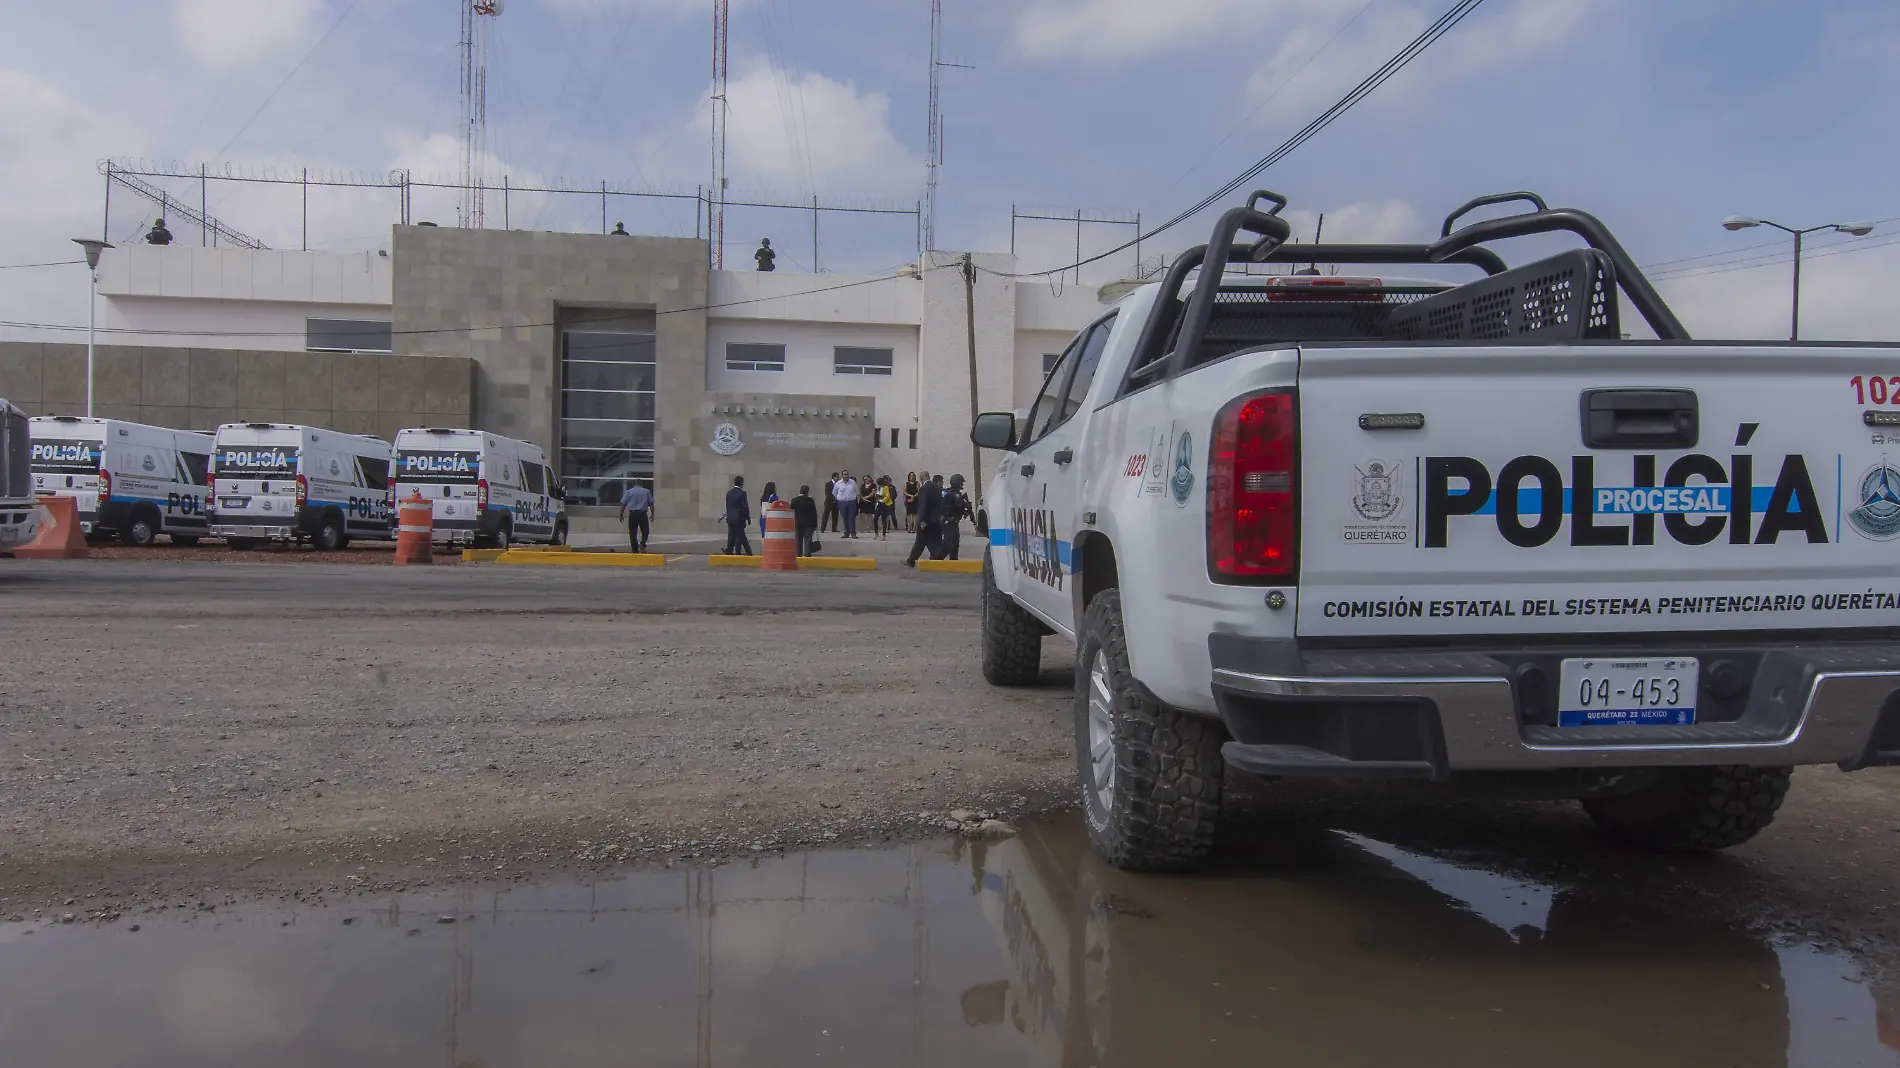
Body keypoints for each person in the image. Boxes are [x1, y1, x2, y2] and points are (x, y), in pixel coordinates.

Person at [906, 473, 946, 567]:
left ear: (921, 478)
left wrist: (921, 520)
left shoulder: (924, 489)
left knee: (920, 540)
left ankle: (912, 560)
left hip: (926, 520)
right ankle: (935, 557)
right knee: (934, 540)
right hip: (936, 520)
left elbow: (923, 505)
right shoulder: (937, 488)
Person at [937, 474, 973, 560]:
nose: (962, 485)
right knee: (949, 543)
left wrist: (966, 511)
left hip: (952, 521)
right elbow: (959, 505)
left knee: (955, 542)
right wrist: (966, 505)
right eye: (961, 483)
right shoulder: (954, 494)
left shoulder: (952, 492)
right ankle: (936, 559)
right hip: (948, 521)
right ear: (957, 483)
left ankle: (954, 559)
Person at [617, 480, 653, 553]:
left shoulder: (629, 492)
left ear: (634, 484)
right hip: (642, 514)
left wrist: (621, 514)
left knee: (632, 532)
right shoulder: (647, 492)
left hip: (633, 514)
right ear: (641, 484)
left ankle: (634, 549)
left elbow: (623, 504)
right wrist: (652, 514)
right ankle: (642, 543)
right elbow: (651, 504)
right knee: (645, 531)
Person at [724, 475, 752, 555]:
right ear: (741, 483)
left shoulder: (729, 493)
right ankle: (745, 552)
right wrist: (748, 518)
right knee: (741, 536)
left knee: (731, 536)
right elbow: (744, 507)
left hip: (730, 517)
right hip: (739, 518)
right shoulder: (742, 493)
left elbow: (728, 506)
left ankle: (729, 551)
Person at [791, 484, 819, 557]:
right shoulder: (810, 500)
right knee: (807, 539)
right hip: (809, 522)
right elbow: (814, 513)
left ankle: (798, 554)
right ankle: (807, 555)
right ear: (807, 492)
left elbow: (791, 509)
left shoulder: (794, 500)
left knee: (798, 539)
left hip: (798, 522)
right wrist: (815, 525)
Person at [834, 469, 858, 538]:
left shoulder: (852, 482)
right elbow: (834, 493)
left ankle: (853, 533)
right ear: (842, 475)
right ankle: (846, 533)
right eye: (845, 474)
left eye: (847, 474)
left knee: (852, 517)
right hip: (842, 503)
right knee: (845, 518)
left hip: (851, 502)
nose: (846, 476)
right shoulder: (838, 483)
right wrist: (839, 498)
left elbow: (856, 491)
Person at [875, 476, 897, 540]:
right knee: (875, 518)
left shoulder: (886, 487)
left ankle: (883, 535)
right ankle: (876, 533)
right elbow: (878, 495)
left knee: (884, 520)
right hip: (879, 504)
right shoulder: (879, 488)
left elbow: (887, 496)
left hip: (885, 504)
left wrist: (882, 500)